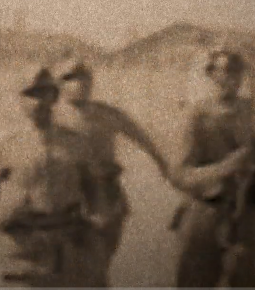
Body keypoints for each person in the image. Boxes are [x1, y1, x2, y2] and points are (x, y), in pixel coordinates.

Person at [0, 67, 104, 287]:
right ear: (21, 102)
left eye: (43, 93)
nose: (37, 102)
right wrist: (4, 209)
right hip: (24, 245)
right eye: (31, 95)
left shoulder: (76, 143)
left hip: (65, 240)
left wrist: (94, 220)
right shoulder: (10, 146)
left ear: (54, 97)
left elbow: (93, 186)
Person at [51, 58, 169, 287]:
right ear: (59, 84)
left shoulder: (106, 113)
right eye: (70, 78)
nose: (79, 84)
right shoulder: (53, 117)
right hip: (68, 197)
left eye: (84, 77)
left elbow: (137, 133)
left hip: (106, 196)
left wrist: (160, 160)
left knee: (99, 263)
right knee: (69, 266)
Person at [169, 50, 255, 287]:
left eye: (234, 71)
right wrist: (225, 167)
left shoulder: (251, 111)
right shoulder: (197, 115)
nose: (228, 78)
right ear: (211, 75)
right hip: (206, 212)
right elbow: (179, 174)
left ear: (241, 76)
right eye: (221, 71)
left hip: (243, 214)